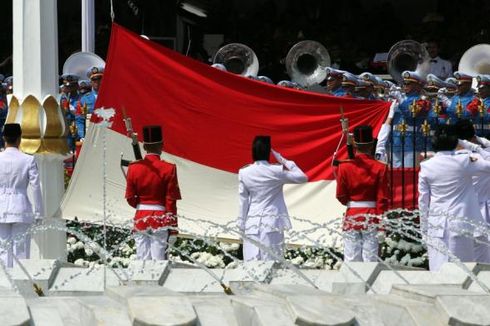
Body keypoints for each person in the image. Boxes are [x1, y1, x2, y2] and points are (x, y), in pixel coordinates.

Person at [418, 124, 490, 271]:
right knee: (463, 273)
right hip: (461, 224)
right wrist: (473, 146)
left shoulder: (427, 166)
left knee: (437, 272)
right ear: (456, 142)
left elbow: (423, 202)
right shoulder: (465, 161)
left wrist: (424, 230)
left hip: (436, 226)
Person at [238, 136, 307, 261]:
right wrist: (283, 160)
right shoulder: (276, 171)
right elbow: (302, 177)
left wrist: (241, 225)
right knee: (273, 266)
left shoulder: (244, 172)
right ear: (268, 152)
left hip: (251, 225)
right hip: (271, 224)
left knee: (250, 268)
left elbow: (243, 202)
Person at [125, 125, 181, 260]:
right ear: (162, 145)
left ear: (144, 147)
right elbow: (170, 200)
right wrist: (173, 227)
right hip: (161, 217)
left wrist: (143, 205)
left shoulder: (133, 168)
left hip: (140, 216)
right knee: (159, 259)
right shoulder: (169, 168)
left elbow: (130, 198)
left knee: (141, 259)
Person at [336, 125, 389, 262]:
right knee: (370, 259)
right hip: (372, 215)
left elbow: (341, 196)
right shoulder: (380, 167)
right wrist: (381, 222)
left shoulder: (344, 166)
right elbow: (382, 198)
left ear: (355, 145)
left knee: (351, 258)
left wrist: (352, 203)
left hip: (352, 215)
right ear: (371, 144)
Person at [0, 123, 43, 267]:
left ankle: (5, 286)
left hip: (1, 208)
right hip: (21, 208)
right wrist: (38, 213)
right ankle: (20, 285)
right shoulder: (28, 159)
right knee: (21, 252)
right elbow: (36, 187)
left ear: (4, 138)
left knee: (2, 251)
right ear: (20, 138)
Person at [390, 71, 431, 167]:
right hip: (395, 141)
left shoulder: (423, 100)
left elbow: (411, 114)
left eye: (408, 83)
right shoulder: (398, 98)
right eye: (404, 83)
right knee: (395, 174)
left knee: (409, 172)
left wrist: (400, 100)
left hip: (412, 142)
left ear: (417, 85)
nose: (405, 85)